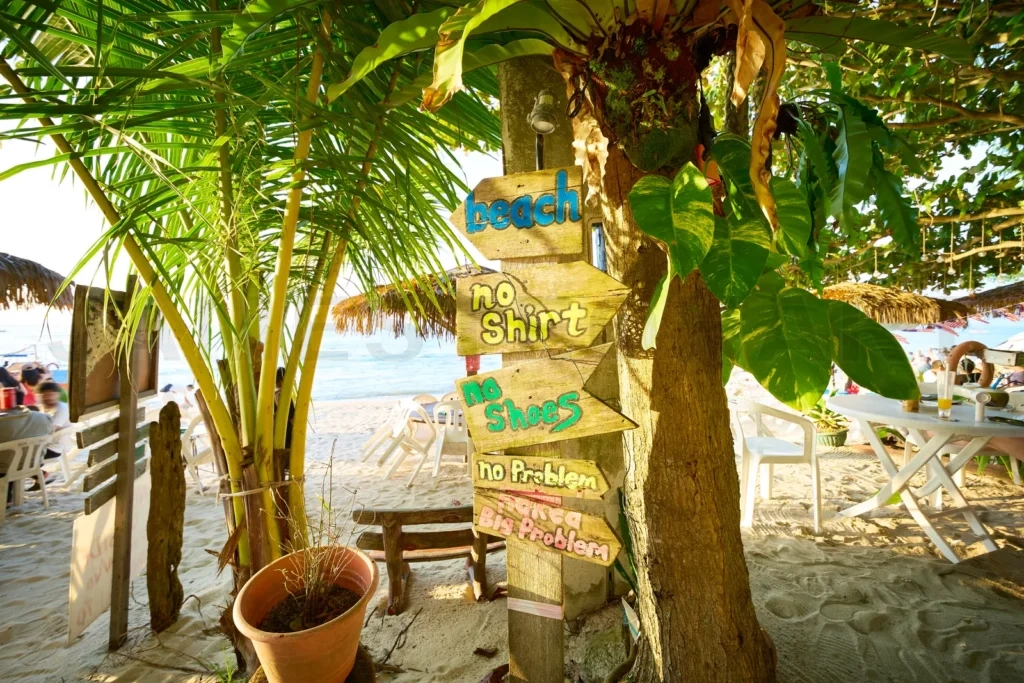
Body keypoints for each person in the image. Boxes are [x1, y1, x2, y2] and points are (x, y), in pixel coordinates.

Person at [0, 407, 54, 506]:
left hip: (5, 468)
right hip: (33, 464)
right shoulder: (44, 418)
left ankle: (6, 500)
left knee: (7, 459)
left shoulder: (4, 422)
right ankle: (7, 500)